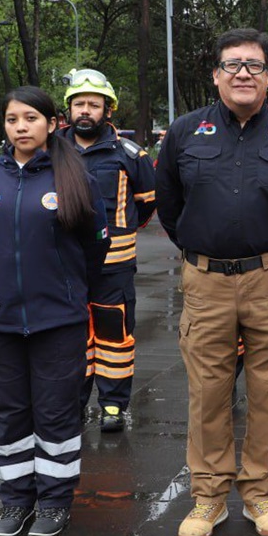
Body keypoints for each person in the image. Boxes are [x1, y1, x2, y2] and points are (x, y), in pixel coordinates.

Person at [154, 28, 268, 536]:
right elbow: (168, 206)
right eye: (233, 65)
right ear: (216, 75)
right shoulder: (185, 133)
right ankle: (208, 498)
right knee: (208, 389)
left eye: (254, 64)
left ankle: (258, 493)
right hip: (205, 278)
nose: (243, 73)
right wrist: (199, 249)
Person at [0, 86, 109, 536]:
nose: (21, 127)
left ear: (50, 123)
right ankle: (14, 500)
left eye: (30, 118)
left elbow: (95, 246)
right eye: (11, 119)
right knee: (8, 414)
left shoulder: (75, 177)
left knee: (56, 413)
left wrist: (61, 285)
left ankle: (54, 502)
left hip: (57, 320)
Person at [56, 69, 157, 432]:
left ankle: (113, 405)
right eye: (79, 104)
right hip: (64, 266)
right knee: (72, 337)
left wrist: (119, 231)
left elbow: (146, 204)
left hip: (114, 267)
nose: (85, 111)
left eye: (93, 105)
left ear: (108, 110)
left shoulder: (130, 154)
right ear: (68, 110)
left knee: (114, 336)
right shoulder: (51, 149)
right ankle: (75, 403)